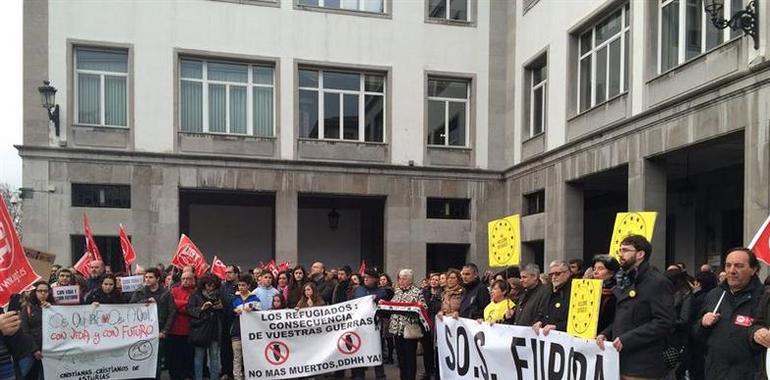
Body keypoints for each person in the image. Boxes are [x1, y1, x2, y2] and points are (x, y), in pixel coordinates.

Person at [596, 235, 675, 379]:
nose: (620, 254)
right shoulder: (628, 279)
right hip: (620, 363)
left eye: (625, 250)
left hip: (643, 366)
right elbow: (625, 317)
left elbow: (664, 321)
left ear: (640, 254)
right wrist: (606, 333)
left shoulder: (657, 282)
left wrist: (627, 339)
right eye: (619, 250)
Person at [694, 248, 764, 379]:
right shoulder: (715, 295)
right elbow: (697, 336)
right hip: (716, 374)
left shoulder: (764, 298)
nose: (732, 271)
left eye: (739, 266)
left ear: (753, 270)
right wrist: (703, 324)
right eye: (728, 265)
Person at [130, 267, 177, 379]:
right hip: (141, 332)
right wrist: (145, 302)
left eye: (150, 277)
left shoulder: (166, 294)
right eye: (146, 277)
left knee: (156, 362)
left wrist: (165, 331)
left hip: (158, 332)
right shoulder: (140, 291)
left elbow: (172, 312)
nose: (147, 279)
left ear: (158, 278)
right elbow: (131, 306)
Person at [681, 270, 718, 380]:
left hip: (697, 345)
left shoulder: (695, 300)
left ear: (699, 283)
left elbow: (689, 321)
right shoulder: (716, 298)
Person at [389, 269, 425, 380]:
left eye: (404, 278)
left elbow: (424, 307)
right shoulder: (397, 291)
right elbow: (392, 305)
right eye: (400, 278)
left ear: (410, 280)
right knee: (401, 358)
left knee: (410, 359)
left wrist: (420, 305)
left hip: (409, 330)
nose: (401, 280)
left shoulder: (417, 292)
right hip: (396, 329)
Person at [187, 274, 225, 380]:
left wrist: (221, 308)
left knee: (214, 357)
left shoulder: (219, 295)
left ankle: (214, 377)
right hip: (201, 329)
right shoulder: (195, 294)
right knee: (199, 357)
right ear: (203, 284)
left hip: (214, 328)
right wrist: (202, 309)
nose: (210, 288)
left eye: (213, 286)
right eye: (208, 285)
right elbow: (190, 310)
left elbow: (225, 313)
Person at [351, 269, 387, 380]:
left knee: (376, 349)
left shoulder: (381, 292)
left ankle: (380, 375)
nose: (365, 278)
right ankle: (359, 375)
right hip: (360, 326)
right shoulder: (358, 290)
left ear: (375, 279)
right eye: (365, 276)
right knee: (360, 350)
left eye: (369, 277)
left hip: (374, 327)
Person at [167, 272, 196, 380]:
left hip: (189, 330)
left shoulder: (196, 292)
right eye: (183, 279)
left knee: (187, 356)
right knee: (174, 356)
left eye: (188, 279)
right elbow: (171, 305)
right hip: (173, 329)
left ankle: (187, 375)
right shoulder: (174, 290)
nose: (185, 281)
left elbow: (192, 308)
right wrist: (186, 303)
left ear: (193, 279)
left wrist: (179, 304)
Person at [21, 281, 52, 380]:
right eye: (40, 291)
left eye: (46, 291)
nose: (43, 293)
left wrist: (51, 308)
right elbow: (25, 330)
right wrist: (34, 349)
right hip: (32, 350)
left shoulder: (53, 306)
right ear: (35, 292)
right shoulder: (27, 308)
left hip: (49, 350)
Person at [231, 275, 259, 380]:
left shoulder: (255, 299)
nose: (241, 287)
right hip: (237, 331)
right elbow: (228, 313)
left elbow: (261, 316)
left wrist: (253, 311)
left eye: (243, 285)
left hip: (251, 333)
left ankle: (250, 376)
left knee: (250, 357)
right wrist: (233, 311)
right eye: (239, 285)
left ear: (249, 286)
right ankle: (237, 377)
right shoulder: (234, 299)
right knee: (237, 357)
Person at [533, 260, 572, 334]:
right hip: (547, 338)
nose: (553, 277)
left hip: (564, 339)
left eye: (557, 274)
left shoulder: (574, 292)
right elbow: (541, 312)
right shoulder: (547, 291)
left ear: (567, 273)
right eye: (551, 274)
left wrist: (557, 327)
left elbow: (576, 321)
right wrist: (539, 321)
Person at [421, 272, 443, 378]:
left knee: (437, 349)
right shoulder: (425, 292)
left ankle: (438, 372)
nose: (433, 281)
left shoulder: (443, 293)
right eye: (432, 279)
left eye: (436, 280)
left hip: (438, 324)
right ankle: (428, 371)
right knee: (427, 349)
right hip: (426, 323)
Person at [220, 265, 239, 380]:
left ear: (236, 274)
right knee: (225, 347)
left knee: (237, 349)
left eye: (230, 272)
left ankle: (238, 371)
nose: (227, 274)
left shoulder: (242, 286)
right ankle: (226, 371)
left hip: (238, 322)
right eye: (225, 272)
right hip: (225, 321)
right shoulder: (222, 287)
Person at [591, 255, 618, 333]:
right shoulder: (588, 290)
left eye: (600, 269)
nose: (595, 272)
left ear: (612, 273)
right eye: (594, 269)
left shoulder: (616, 293)